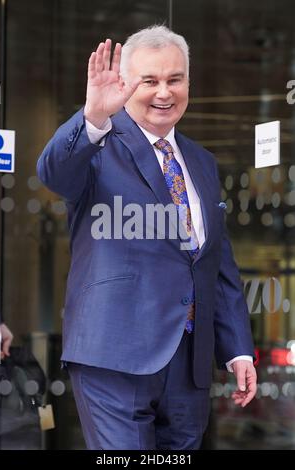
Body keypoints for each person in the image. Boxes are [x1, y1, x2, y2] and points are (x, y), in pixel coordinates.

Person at [37, 25, 257, 450]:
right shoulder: (97, 145)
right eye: (149, 81)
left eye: (174, 79)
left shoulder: (202, 162)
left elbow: (215, 261)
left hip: (189, 361)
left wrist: (238, 349)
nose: (164, 92)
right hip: (115, 355)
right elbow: (54, 172)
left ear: (188, 83)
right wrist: (93, 117)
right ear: (124, 84)